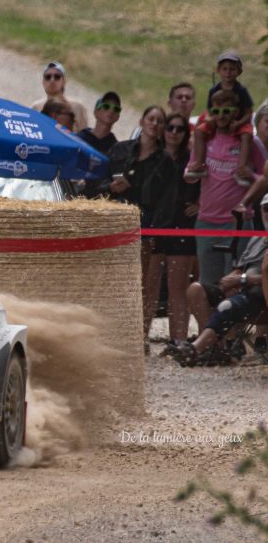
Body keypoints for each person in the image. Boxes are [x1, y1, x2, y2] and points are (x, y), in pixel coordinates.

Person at [101, 106, 178, 345]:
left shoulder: (166, 161)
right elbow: (97, 180)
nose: (154, 124)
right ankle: (112, 331)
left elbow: (168, 200)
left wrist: (156, 233)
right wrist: (110, 187)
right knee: (115, 281)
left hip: (147, 228)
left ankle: (139, 336)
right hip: (117, 224)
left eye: (159, 121)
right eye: (151, 119)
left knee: (145, 285)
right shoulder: (121, 150)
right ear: (142, 121)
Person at [186, 89, 266, 287]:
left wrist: (250, 177)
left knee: (233, 283)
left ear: (236, 112)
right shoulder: (205, 138)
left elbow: (265, 179)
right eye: (217, 111)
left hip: (237, 222)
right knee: (207, 285)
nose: (221, 116)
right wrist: (196, 170)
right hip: (206, 220)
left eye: (227, 111)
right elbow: (188, 174)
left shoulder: (250, 142)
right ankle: (209, 319)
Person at [176, 194, 268, 365]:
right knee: (196, 289)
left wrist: (241, 280)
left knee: (228, 304)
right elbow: (241, 267)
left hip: (261, 298)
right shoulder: (258, 238)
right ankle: (219, 349)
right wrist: (231, 278)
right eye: (266, 208)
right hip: (245, 291)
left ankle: (196, 348)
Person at [157, 112, 199, 355]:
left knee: (178, 286)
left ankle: (179, 339)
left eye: (179, 129)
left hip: (182, 224)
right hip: (157, 224)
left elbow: (210, 182)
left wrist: (201, 203)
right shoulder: (155, 157)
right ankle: (142, 338)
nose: (174, 132)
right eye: (169, 127)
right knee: (149, 287)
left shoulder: (191, 159)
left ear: (186, 134)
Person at [186, 51, 255, 186]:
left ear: (239, 72)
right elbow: (209, 110)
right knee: (199, 131)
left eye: (232, 69)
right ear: (218, 70)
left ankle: (241, 169)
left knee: (247, 135)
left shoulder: (241, 90)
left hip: (238, 121)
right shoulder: (214, 90)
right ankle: (199, 163)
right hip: (218, 119)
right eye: (224, 69)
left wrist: (239, 123)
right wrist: (211, 119)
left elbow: (248, 112)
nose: (228, 73)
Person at [78, 92, 121, 198]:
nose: (111, 111)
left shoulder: (117, 149)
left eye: (116, 109)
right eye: (106, 106)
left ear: (117, 117)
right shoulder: (78, 139)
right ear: (96, 112)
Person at [31, 62, 88, 133]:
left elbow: (84, 135)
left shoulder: (77, 106)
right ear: (43, 82)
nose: (52, 80)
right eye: (48, 77)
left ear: (64, 81)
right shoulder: (36, 106)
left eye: (57, 77)